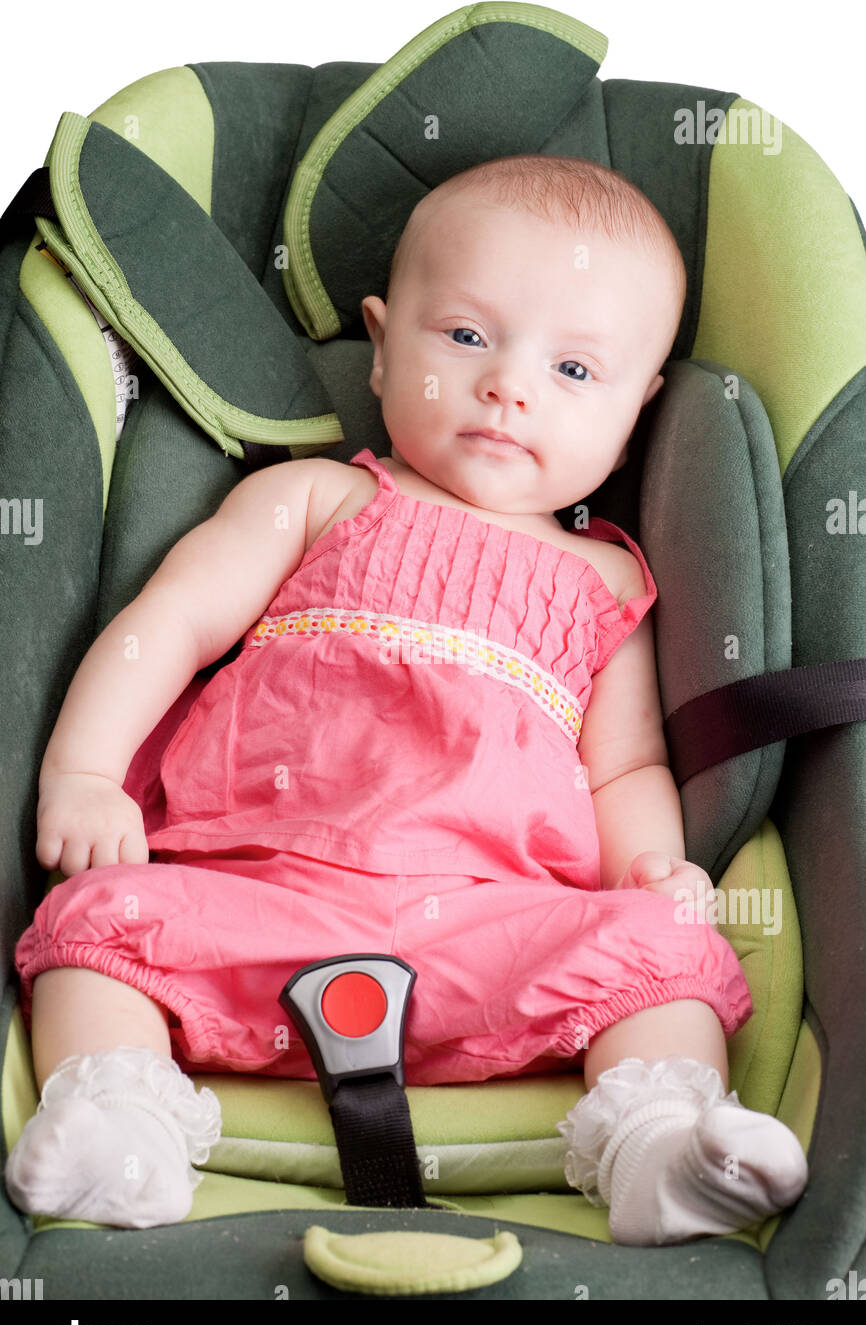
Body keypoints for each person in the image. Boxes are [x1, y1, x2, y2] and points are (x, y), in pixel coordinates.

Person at [5, 154, 808, 1244]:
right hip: (255, 893)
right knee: (92, 929)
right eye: (466, 337)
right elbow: (167, 626)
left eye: (574, 369)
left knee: (663, 958)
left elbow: (623, 766)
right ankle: (117, 1125)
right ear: (380, 347)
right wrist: (87, 771)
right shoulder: (309, 499)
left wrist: (649, 870)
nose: (507, 384)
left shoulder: (608, 581)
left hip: (495, 928)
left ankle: (660, 1145)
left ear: (636, 412)